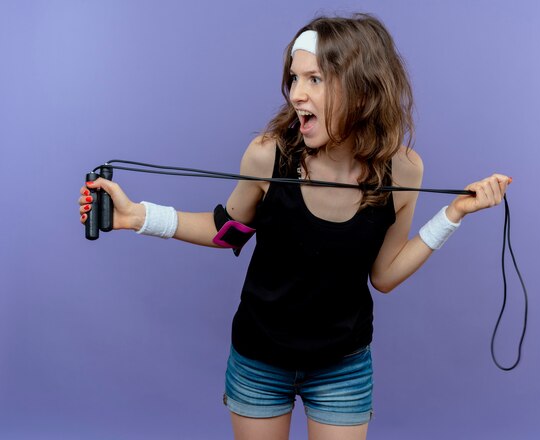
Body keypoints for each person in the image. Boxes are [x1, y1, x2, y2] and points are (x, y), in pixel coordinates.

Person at [78, 13, 510, 440]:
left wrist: (452, 215)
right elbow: (228, 229)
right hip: (259, 358)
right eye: (294, 78)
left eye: (315, 80)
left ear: (362, 89)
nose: (297, 95)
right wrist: (138, 216)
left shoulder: (404, 169)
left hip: (343, 363)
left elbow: (384, 276)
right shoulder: (267, 156)